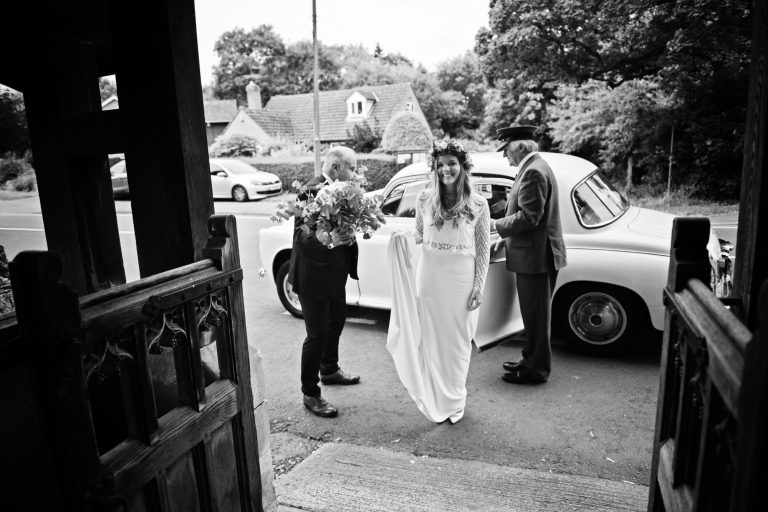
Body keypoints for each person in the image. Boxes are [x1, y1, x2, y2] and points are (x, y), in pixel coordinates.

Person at [386, 138, 490, 424]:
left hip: (460, 282)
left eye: (451, 164)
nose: (446, 170)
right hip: (430, 280)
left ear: (463, 166)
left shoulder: (479, 204)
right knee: (430, 342)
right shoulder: (423, 199)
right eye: (440, 165)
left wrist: (479, 286)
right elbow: (420, 236)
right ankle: (434, 397)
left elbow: (483, 250)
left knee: (457, 343)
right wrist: (401, 239)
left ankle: (455, 400)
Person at [288, 146, 361, 418]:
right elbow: (302, 237)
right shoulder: (309, 192)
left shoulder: (343, 193)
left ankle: (329, 369)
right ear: (336, 168)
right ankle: (310, 393)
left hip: (333, 274)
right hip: (312, 276)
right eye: (351, 168)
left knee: (338, 319)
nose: (354, 175)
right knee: (316, 334)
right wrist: (331, 240)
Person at [491, 125, 567, 384]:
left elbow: (529, 217)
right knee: (535, 316)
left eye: (506, 151)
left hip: (535, 257)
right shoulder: (537, 166)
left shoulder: (533, 171)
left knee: (536, 316)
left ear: (517, 147)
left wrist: (496, 226)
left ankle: (536, 370)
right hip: (536, 253)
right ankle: (530, 358)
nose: (505, 157)